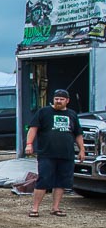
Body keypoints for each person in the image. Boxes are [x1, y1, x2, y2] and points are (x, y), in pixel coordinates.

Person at [26, 89, 86, 217]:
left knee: (62, 182)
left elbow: (78, 134)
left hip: (66, 155)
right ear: (53, 99)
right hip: (47, 154)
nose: (58, 101)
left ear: (67, 101)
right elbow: (33, 129)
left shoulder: (72, 114)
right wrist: (29, 144)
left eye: (61, 99)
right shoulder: (43, 112)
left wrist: (82, 149)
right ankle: (35, 209)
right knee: (43, 180)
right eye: (56, 99)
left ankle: (55, 208)